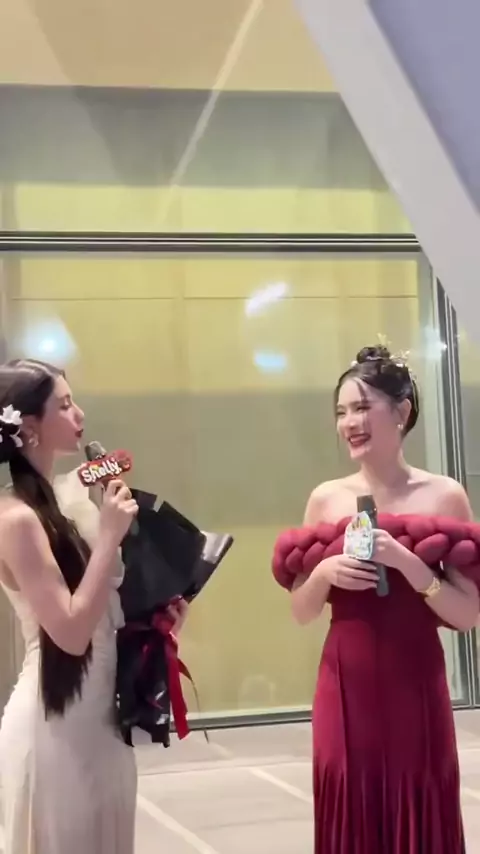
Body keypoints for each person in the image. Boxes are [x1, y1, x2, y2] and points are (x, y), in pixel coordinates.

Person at [273, 344, 479, 854]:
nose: (350, 423)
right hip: (345, 681)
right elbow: (301, 611)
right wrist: (324, 573)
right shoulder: (326, 498)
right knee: (350, 802)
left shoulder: (445, 494)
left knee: (419, 795)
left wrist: (411, 566)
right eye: (341, 411)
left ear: (402, 411)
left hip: (415, 678)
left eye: (362, 407)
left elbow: (468, 614)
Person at [0, 358, 188, 854]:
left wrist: (157, 620)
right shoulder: (14, 518)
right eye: (64, 405)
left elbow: (99, 610)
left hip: (103, 721)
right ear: (29, 427)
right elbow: (69, 632)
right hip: (53, 728)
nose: (79, 413)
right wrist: (108, 538)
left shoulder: (68, 500)